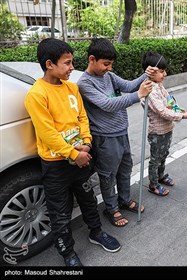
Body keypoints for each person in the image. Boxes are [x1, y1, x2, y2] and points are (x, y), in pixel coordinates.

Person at [24, 38, 121, 267]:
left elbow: (82, 118)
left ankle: (96, 232)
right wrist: (73, 154)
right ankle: (67, 253)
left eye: (72, 62)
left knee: (88, 199)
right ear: (50, 64)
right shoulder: (37, 95)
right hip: (56, 165)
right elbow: (48, 134)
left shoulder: (72, 88)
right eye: (67, 63)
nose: (71, 68)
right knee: (59, 212)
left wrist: (86, 143)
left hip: (81, 157)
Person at [77, 38, 154, 227]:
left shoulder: (109, 77)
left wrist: (145, 76)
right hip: (105, 137)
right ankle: (111, 208)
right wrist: (138, 95)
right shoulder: (85, 83)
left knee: (125, 169)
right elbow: (108, 104)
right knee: (108, 175)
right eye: (106, 64)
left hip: (121, 132)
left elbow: (128, 86)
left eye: (111, 64)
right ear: (92, 59)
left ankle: (124, 200)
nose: (109, 68)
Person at [140, 51, 187, 196]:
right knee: (155, 159)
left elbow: (169, 102)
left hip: (167, 128)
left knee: (164, 154)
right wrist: (184, 116)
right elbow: (162, 111)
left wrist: (181, 110)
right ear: (150, 72)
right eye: (161, 71)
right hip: (157, 132)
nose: (165, 74)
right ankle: (153, 184)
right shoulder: (149, 89)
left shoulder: (159, 85)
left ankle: (161, 176)